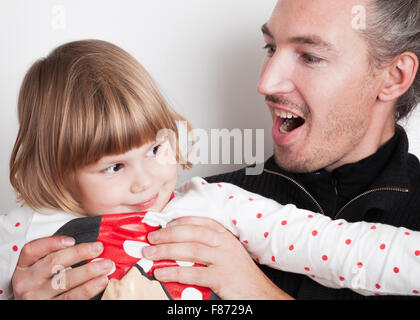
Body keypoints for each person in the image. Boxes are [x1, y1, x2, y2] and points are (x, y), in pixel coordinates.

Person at [3, 30, 420, 300]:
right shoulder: (27, 237)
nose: (146, 182)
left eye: (155, 149)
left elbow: (338, 247)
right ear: (57, 172)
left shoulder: (212, 205)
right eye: (114, 168)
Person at [138, 0, 420, 300]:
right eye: (270, 48)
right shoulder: (201, 211)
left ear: (394, 76)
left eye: (310, 57)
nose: (266, 83)